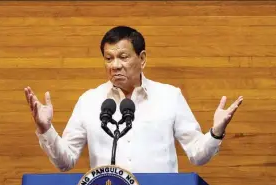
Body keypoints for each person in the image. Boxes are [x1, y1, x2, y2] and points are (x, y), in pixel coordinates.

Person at [24, 26, 243, 174]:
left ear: (143, 59)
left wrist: (215, 132)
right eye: (108, 59)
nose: (115, 65)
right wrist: (46, 129)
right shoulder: (89, 101)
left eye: (123, 57)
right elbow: (65, 161)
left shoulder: (169, 96)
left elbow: (197, 155)